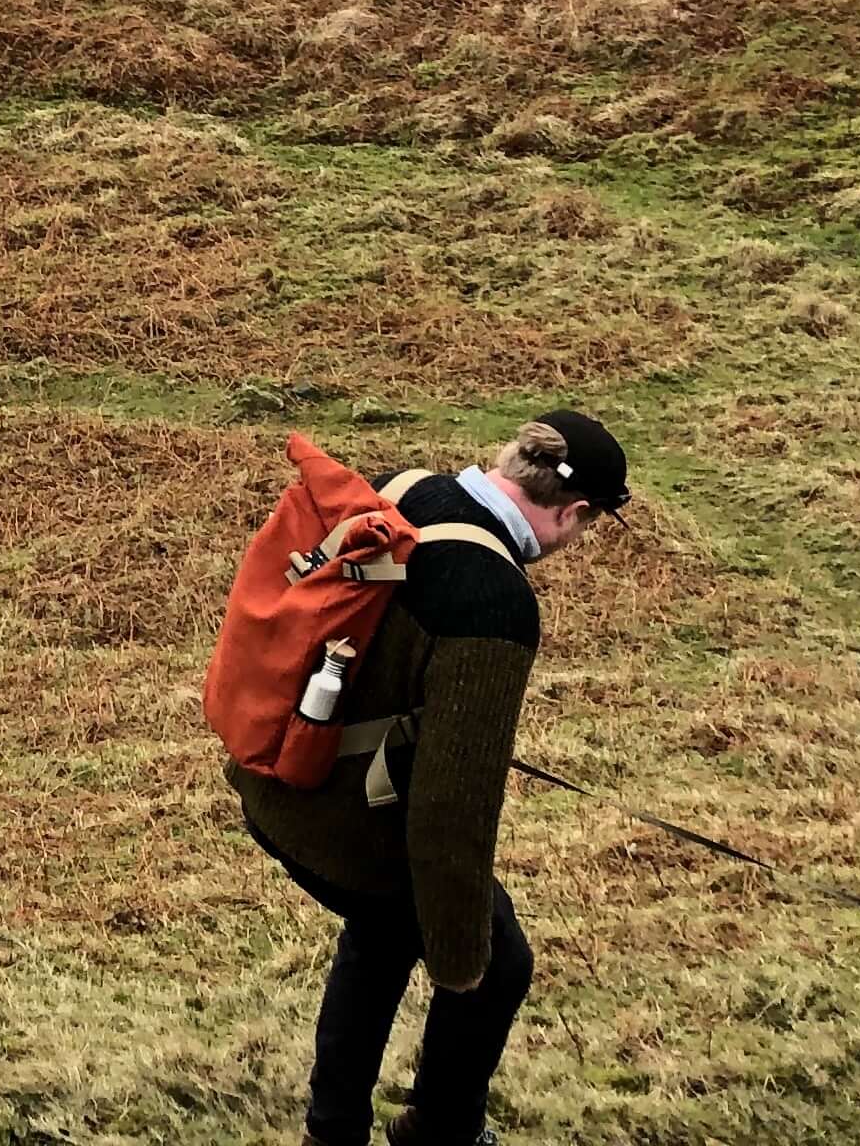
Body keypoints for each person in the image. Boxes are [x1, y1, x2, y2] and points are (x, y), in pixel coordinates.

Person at [228, 409, 632, 1146]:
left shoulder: (405, 489)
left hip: (279, 783)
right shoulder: (492, 602)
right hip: (342, 821)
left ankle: (335, 1128)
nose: (578, 541)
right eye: (589, 526)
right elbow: (453, 811)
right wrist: (458, 959)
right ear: (572, 512)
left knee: (381, 934)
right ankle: (440, 1131)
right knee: (496, 961)